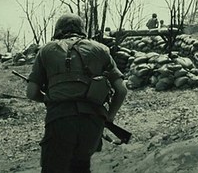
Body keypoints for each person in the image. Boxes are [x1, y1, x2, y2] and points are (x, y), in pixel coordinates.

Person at [26, 14, 128, 173]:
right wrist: (109, 117)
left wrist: (48, 98)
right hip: (93, 123)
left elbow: (31, 93)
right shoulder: (101, 49)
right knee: (80, 168)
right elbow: (121, 90)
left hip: (60, 120)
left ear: (58, 30)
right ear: (82, 30)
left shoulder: (46, 51)